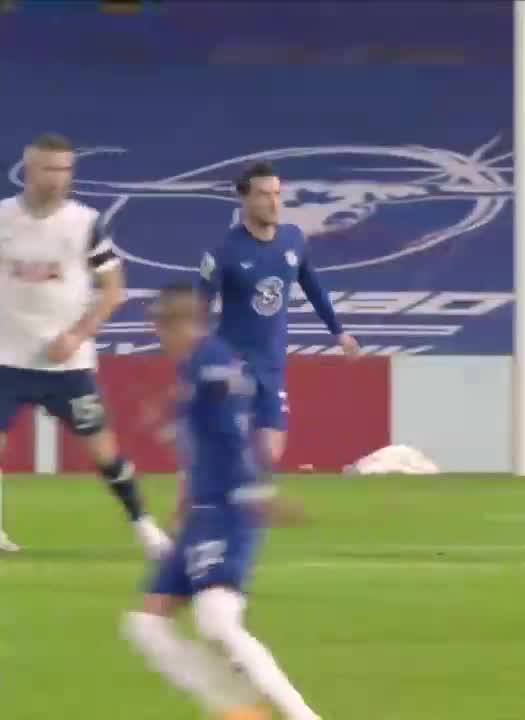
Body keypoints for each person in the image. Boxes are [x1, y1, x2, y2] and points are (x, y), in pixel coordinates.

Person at [122, 284, 322, 720]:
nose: (159, 336)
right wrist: (186, 496)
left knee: (216, 620)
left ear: (183, 323)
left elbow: (234, 439)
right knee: (146, 624)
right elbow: (205, 442)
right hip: (204, 511)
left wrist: (257, 495)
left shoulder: (212, 367)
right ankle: (236, 707)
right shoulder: (197, 369)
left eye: (162, 326)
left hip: (230, 509)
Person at [0, 132, 170, 557]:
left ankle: (146, 527)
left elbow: (113, 289)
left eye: (65, 170)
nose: (58, 178)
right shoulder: (3, 218)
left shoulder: (84, 223)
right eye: (49, 169)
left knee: (103, 451)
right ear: (29, 170)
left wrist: (78, 334)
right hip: (6, 358)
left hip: (67, 365)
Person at [199, 161, 359, 467]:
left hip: (272, 364)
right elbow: (199, 307)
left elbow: (313, 286)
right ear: (244, 198)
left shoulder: (293, 239)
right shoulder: (224, 251)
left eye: (277, 194)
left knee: (270, 454)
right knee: (230, 447)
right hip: (233, 363)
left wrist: (338, 331)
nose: (273, 203)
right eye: (263, 194)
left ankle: (239, 491)